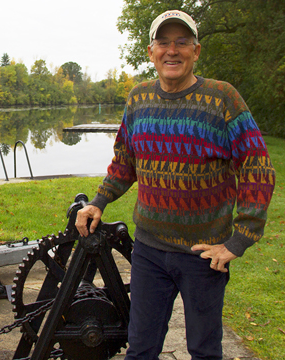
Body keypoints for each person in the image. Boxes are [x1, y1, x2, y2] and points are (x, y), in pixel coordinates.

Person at [75, 10, 276, 360]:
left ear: (196, 51)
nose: (172, 50)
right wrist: (98, 202)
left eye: (182, 42)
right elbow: (125, 163)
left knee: (204, 350)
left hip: (204, 255)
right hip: (150, 253)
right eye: (163, 42)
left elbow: (258, 165)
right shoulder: (138, 100)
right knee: (140, 349)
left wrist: (239, 240)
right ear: (151, 51)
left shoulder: (222, 98)